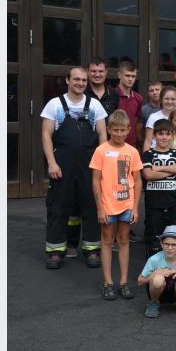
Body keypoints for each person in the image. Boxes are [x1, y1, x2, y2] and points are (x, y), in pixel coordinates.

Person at [41, 67, 108, 269]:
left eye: (83, 80)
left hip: (89, 162)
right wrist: (52, 162)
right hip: (62, 162)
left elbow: (103, 136)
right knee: (57, 207)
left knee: (90, 205)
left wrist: (102, 164)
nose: (80, 83)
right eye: (76, 79)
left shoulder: (94, 105)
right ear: (67, 80)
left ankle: (91, 250)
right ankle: (55, 251)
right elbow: (46, 135)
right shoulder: (55, 104)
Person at [90, 110, 143, 300]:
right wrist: (100, 208)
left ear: (129, 130)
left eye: (123, 130)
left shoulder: (132, 152)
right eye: (116, 130)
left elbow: (137, 180)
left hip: (126, 204)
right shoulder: (101, 150)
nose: (119, 134)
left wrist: (135, 207)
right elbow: (95, 180)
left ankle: (123, 281)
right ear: (109, 129)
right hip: (107, 205)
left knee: (123, 241)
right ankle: (108, 282)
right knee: (106, 241)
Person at [141, 119, 176, 258]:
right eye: (160, 134)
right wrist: (172, 170)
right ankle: (153, 270)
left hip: (173, 203)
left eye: (167, 134)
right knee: (154, 241)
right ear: (154, 135)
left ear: (172, 136)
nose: (164, 137)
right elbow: (148, 174)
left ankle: (172, 269)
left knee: (173, 239)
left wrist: (160, 168)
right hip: (154, 204)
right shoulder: (147, 154)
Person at [137, 225, 176, 318]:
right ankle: (154, 303)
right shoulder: (154, 259)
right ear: (161, 244)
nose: (170, 248)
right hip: (158, 292)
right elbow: (140, 281)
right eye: (166, 244)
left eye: (174, 245)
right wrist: (154, 274)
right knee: (158, 279)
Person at [142, 85, 176, 153]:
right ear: (161, 99)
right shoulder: (153, 117)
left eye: (173, 99)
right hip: (155, 155)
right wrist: (145, 159)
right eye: (166, 99)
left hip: (175, 155)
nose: (169, 102)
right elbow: (148, 141)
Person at [114, 61, 143, 147]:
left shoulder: (138, 98)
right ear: (119, 75)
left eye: (133, 76)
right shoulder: (111, 95)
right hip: (113, 143)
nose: (130, 79)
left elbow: (138, 122)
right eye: (127, 75)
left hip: (131, 145)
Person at [138, 81, 162, 147]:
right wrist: (143, 143)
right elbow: (138, 129)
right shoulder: (143, 109)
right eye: (151, 90)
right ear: (148, 93)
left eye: (157, 90)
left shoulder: (167, 108)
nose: (154, 92)